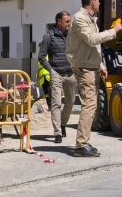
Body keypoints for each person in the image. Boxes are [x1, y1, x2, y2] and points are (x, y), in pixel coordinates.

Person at [67, 0, 122, 157]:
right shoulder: (80, 18)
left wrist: (101, 65)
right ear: (92, 2)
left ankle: (84, 141)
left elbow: (94, 47)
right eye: (97, 0)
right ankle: (80, 145)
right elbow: (92, 39)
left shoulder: (90, 19)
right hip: (84, 68)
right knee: (89, 105)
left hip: (91, 66)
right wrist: (114, 31)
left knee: (91, 105)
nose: (99, 3)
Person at [38, 11, 77, 144]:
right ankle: (57, 133)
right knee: (56, 103)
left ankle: (63, 124)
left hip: (70, 73)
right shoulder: (49, 36)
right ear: (59, 22)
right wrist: (51, 70)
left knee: (70, 102)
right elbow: (41, 56)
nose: (69, 24)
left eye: (69, 21)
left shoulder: (72, 35)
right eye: (67, 21)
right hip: (56, 73)